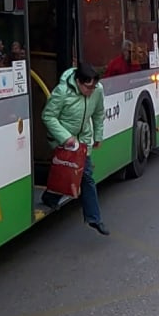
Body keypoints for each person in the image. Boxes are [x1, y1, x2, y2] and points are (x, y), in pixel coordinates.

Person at [41, 64, 109, 235]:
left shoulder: (97, 90)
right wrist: (66, 138)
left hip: (83, 139)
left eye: (94, 87)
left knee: (83, 175)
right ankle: (51, 198)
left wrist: (98, 136)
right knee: (71, 173)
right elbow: (48, 116)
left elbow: (99, 113)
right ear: (78, 82)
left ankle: (93, 218)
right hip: (63, 140)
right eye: (88, 87)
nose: (91, 91)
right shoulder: (62, 92)